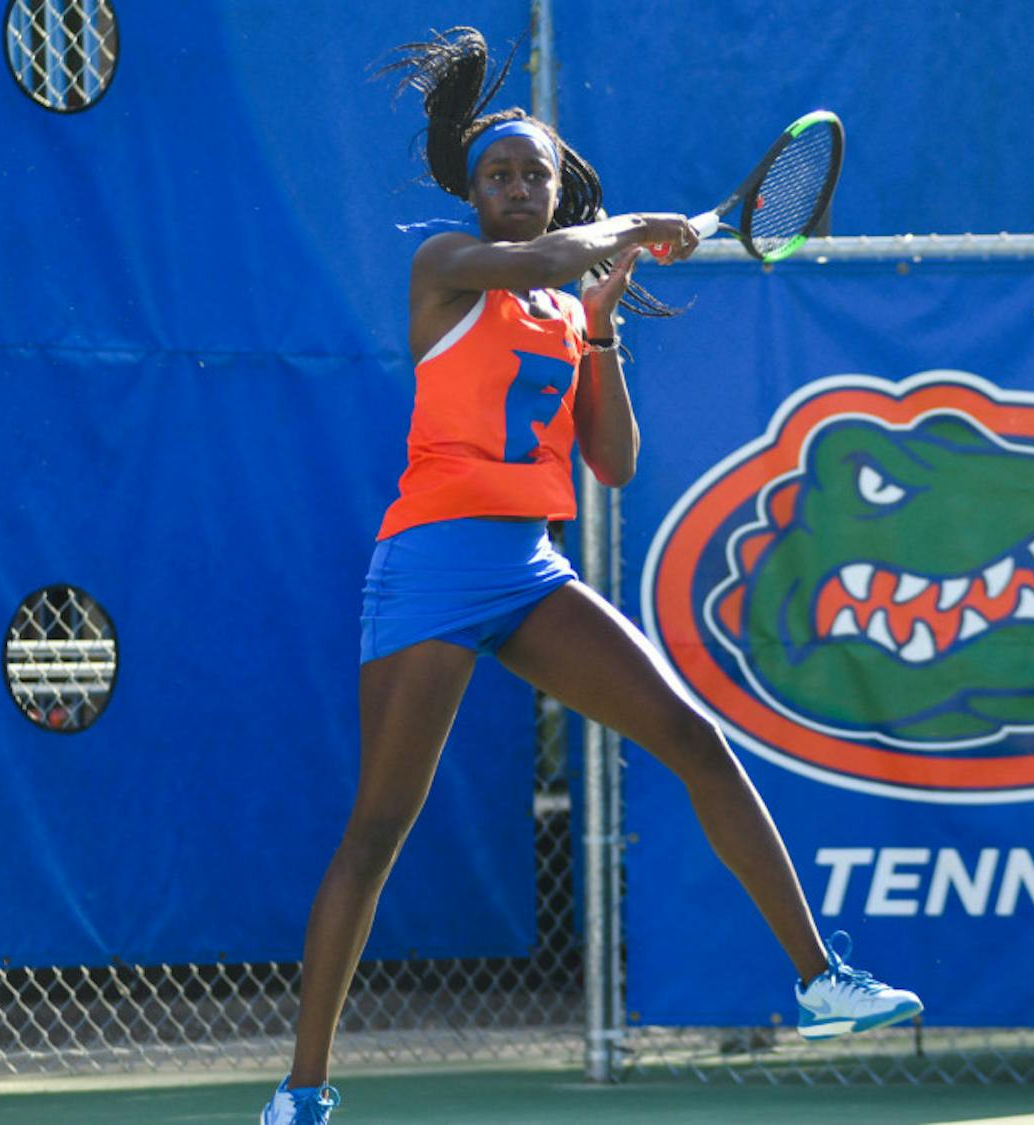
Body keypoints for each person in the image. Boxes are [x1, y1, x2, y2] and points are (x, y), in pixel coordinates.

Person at [261, 27, 921, 1124]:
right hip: (431, 566)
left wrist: (603, 332)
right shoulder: (446, 267)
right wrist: (634, 228)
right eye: (499, 175)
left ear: (557, 186)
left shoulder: (569, 306)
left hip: (529, 569)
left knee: (693, 738)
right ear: (474, 192)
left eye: (535, 175)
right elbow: (544, 259)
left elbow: (611, 463)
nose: (518, 189)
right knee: (377, 830)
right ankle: (302, 1090)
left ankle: (820, 981)